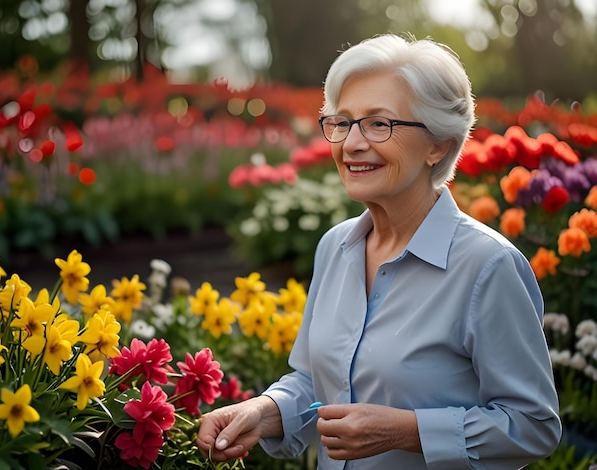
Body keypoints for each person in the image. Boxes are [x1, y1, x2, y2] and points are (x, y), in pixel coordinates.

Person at [196, 33, 562, 469]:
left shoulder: (488, 266)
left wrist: (410, 432)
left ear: (438, 144)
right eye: (342, 122)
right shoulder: (336, 246)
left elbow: (534, 424)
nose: (351, 143)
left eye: (378, 124)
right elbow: (318, 383)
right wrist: (264, 411)